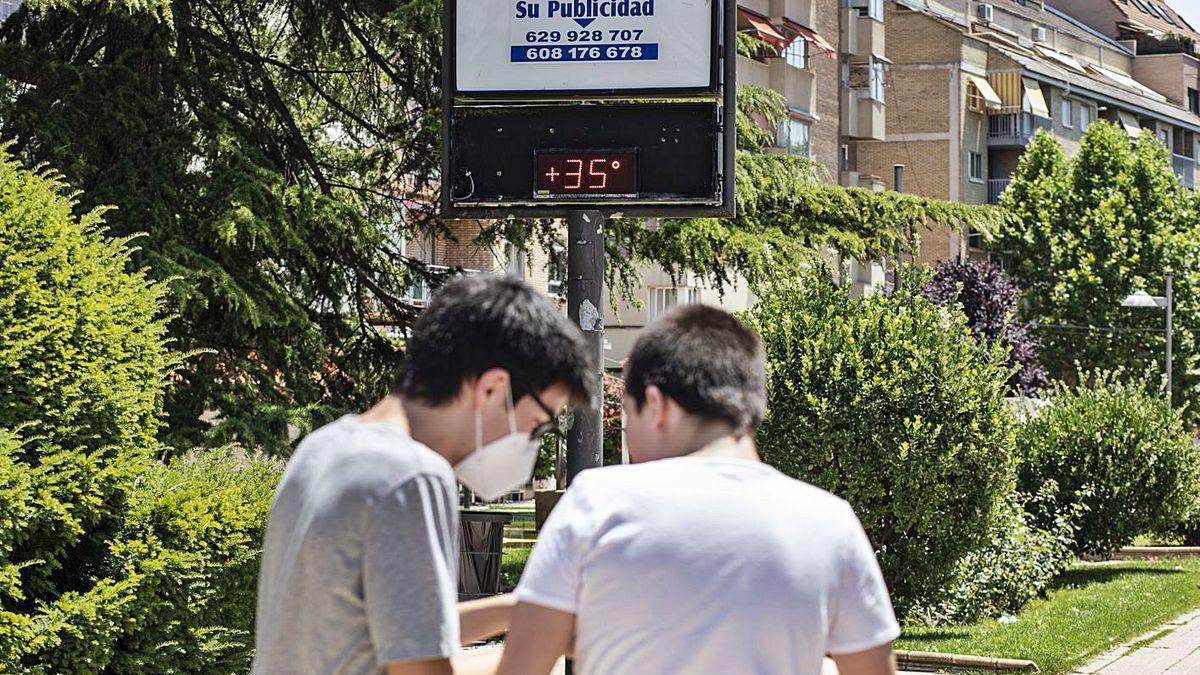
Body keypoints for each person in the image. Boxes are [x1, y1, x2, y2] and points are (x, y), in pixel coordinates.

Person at [494, 304, 900, 675]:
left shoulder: (596, 502)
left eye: (627, 417)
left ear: (655, 405)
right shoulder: (829, 521)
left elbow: (521, 668)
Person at [252, 275, 594, 675]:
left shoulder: (324, 448)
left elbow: (385, 631)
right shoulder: (412, 476)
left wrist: (516, 613)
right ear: (493, 389)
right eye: (537, 424)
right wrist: (539, 649)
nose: (531, 446)